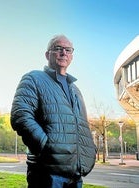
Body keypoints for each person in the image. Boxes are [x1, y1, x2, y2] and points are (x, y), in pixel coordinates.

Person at [10, 35, 97, 188]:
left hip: (76, 175)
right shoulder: (34, 78)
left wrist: (91, 151)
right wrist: (46, 147)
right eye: (58, 48)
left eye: (68, 49)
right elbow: (20, 115)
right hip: (47, 175)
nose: (64, 52)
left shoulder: (75, 90)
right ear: (47, 54)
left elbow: (83, 125)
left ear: (71, 55)